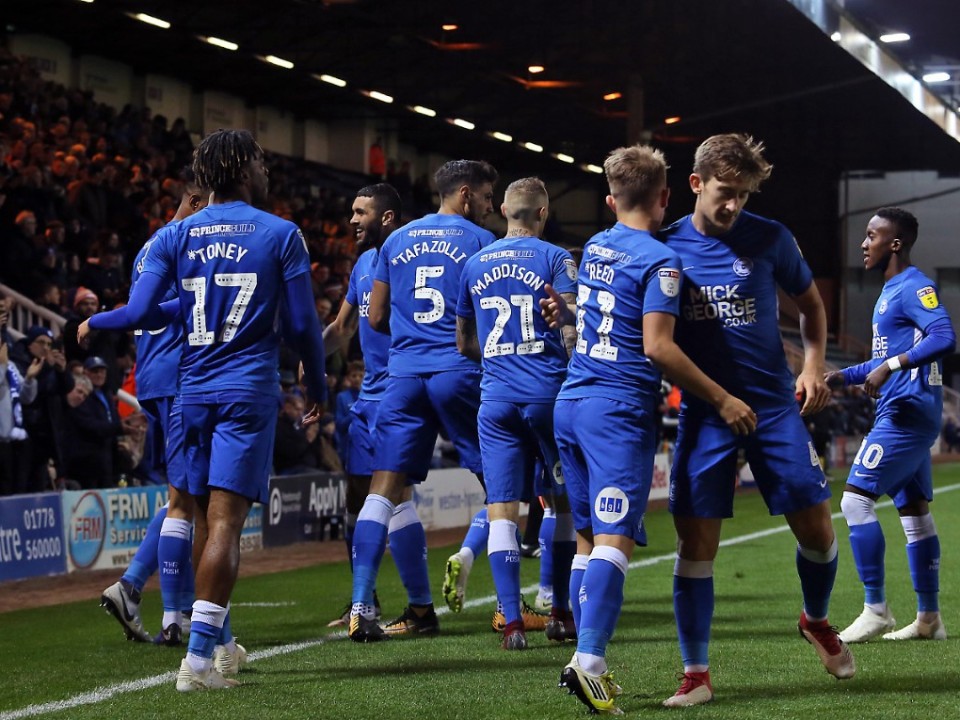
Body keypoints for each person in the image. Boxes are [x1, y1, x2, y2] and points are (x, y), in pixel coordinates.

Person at [92, 129, 326, 691]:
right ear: (242, 169)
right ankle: (197, 662)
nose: (266, 171)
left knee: (200, 517)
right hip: (246, 391)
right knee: (225, 522)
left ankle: (219, 646)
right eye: (261, 162)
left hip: (191, 393)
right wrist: (317, 382)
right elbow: (301, 324)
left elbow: (144, 311)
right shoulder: (281, 233)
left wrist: (95, 321)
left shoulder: (175, 234)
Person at [541, 144, 756, 714]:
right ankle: (589, 661)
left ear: (611, 200)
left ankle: (585, 658)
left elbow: (601, 314)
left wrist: (567, 314)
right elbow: (657, 347)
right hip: (616, 409)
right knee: (614, 538)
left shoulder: (595, 246)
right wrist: (722, 397)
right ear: (665, 196)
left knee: (587, 539)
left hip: (571, 402)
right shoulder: (662, 261)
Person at [659, 134, 854, 707]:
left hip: (773, 408)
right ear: (696, 184)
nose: (733, 205)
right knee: (697, 545)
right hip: (706, 413)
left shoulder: (770, 237)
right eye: (725, 192)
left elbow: (811, 305)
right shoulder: (664, 247)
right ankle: (696, 674)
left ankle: (814, 618)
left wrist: (813, 365)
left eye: (743, 195)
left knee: (818, 531)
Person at [347, 160, 497, 642]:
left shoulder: (395, 241)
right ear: (466, 195)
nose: (491, 206)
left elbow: (374, 318)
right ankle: (511, 610)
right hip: (458, 372)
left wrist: (411, 336)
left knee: (383, 491)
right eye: (487, 197)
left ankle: (362, 604)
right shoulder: (481, 241)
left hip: (404, 377)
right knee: (502, 485)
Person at [455, 177, 578, 650]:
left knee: (502, 509)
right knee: (561, 503)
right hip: (549, 396)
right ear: (543, 213)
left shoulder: (474, 263)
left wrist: (497, 361)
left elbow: (464, 341)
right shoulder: (556, 258)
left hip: (496, 400)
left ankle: (510, 622)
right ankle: (560, 613)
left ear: (504, 210)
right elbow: (570, 330)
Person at [90, 168, 209, 646]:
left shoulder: (151, 245)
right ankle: (173, 614)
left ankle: (139, 589)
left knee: (186, 495)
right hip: (179, 376)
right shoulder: (186, 243)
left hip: (155, 375)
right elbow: (177, 308)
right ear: (196, 202)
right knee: (187, 500)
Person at [828, 207, 955, 643]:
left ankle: (876, 609)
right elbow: (882, 359)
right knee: (914, 513)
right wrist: (843, 376)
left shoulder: (915, 286)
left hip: (906, 413)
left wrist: (891, 366)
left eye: (871, 235)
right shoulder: (890, 291)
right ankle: (929, 619)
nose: (864, 243)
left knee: (854, 501)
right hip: (905, 411)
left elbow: (944, 337)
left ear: (894, 243)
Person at [321, 184, 415, 627]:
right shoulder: (362, 264)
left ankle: (420, 606)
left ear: (387, 217)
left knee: (394, 495)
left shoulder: (411, 260)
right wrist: (310, 356)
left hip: (401, 390)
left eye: (362, 212)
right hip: (368, 398)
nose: (353, 220)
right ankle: (368, 600)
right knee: (358, 500)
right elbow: (342, 328)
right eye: (352, 212)